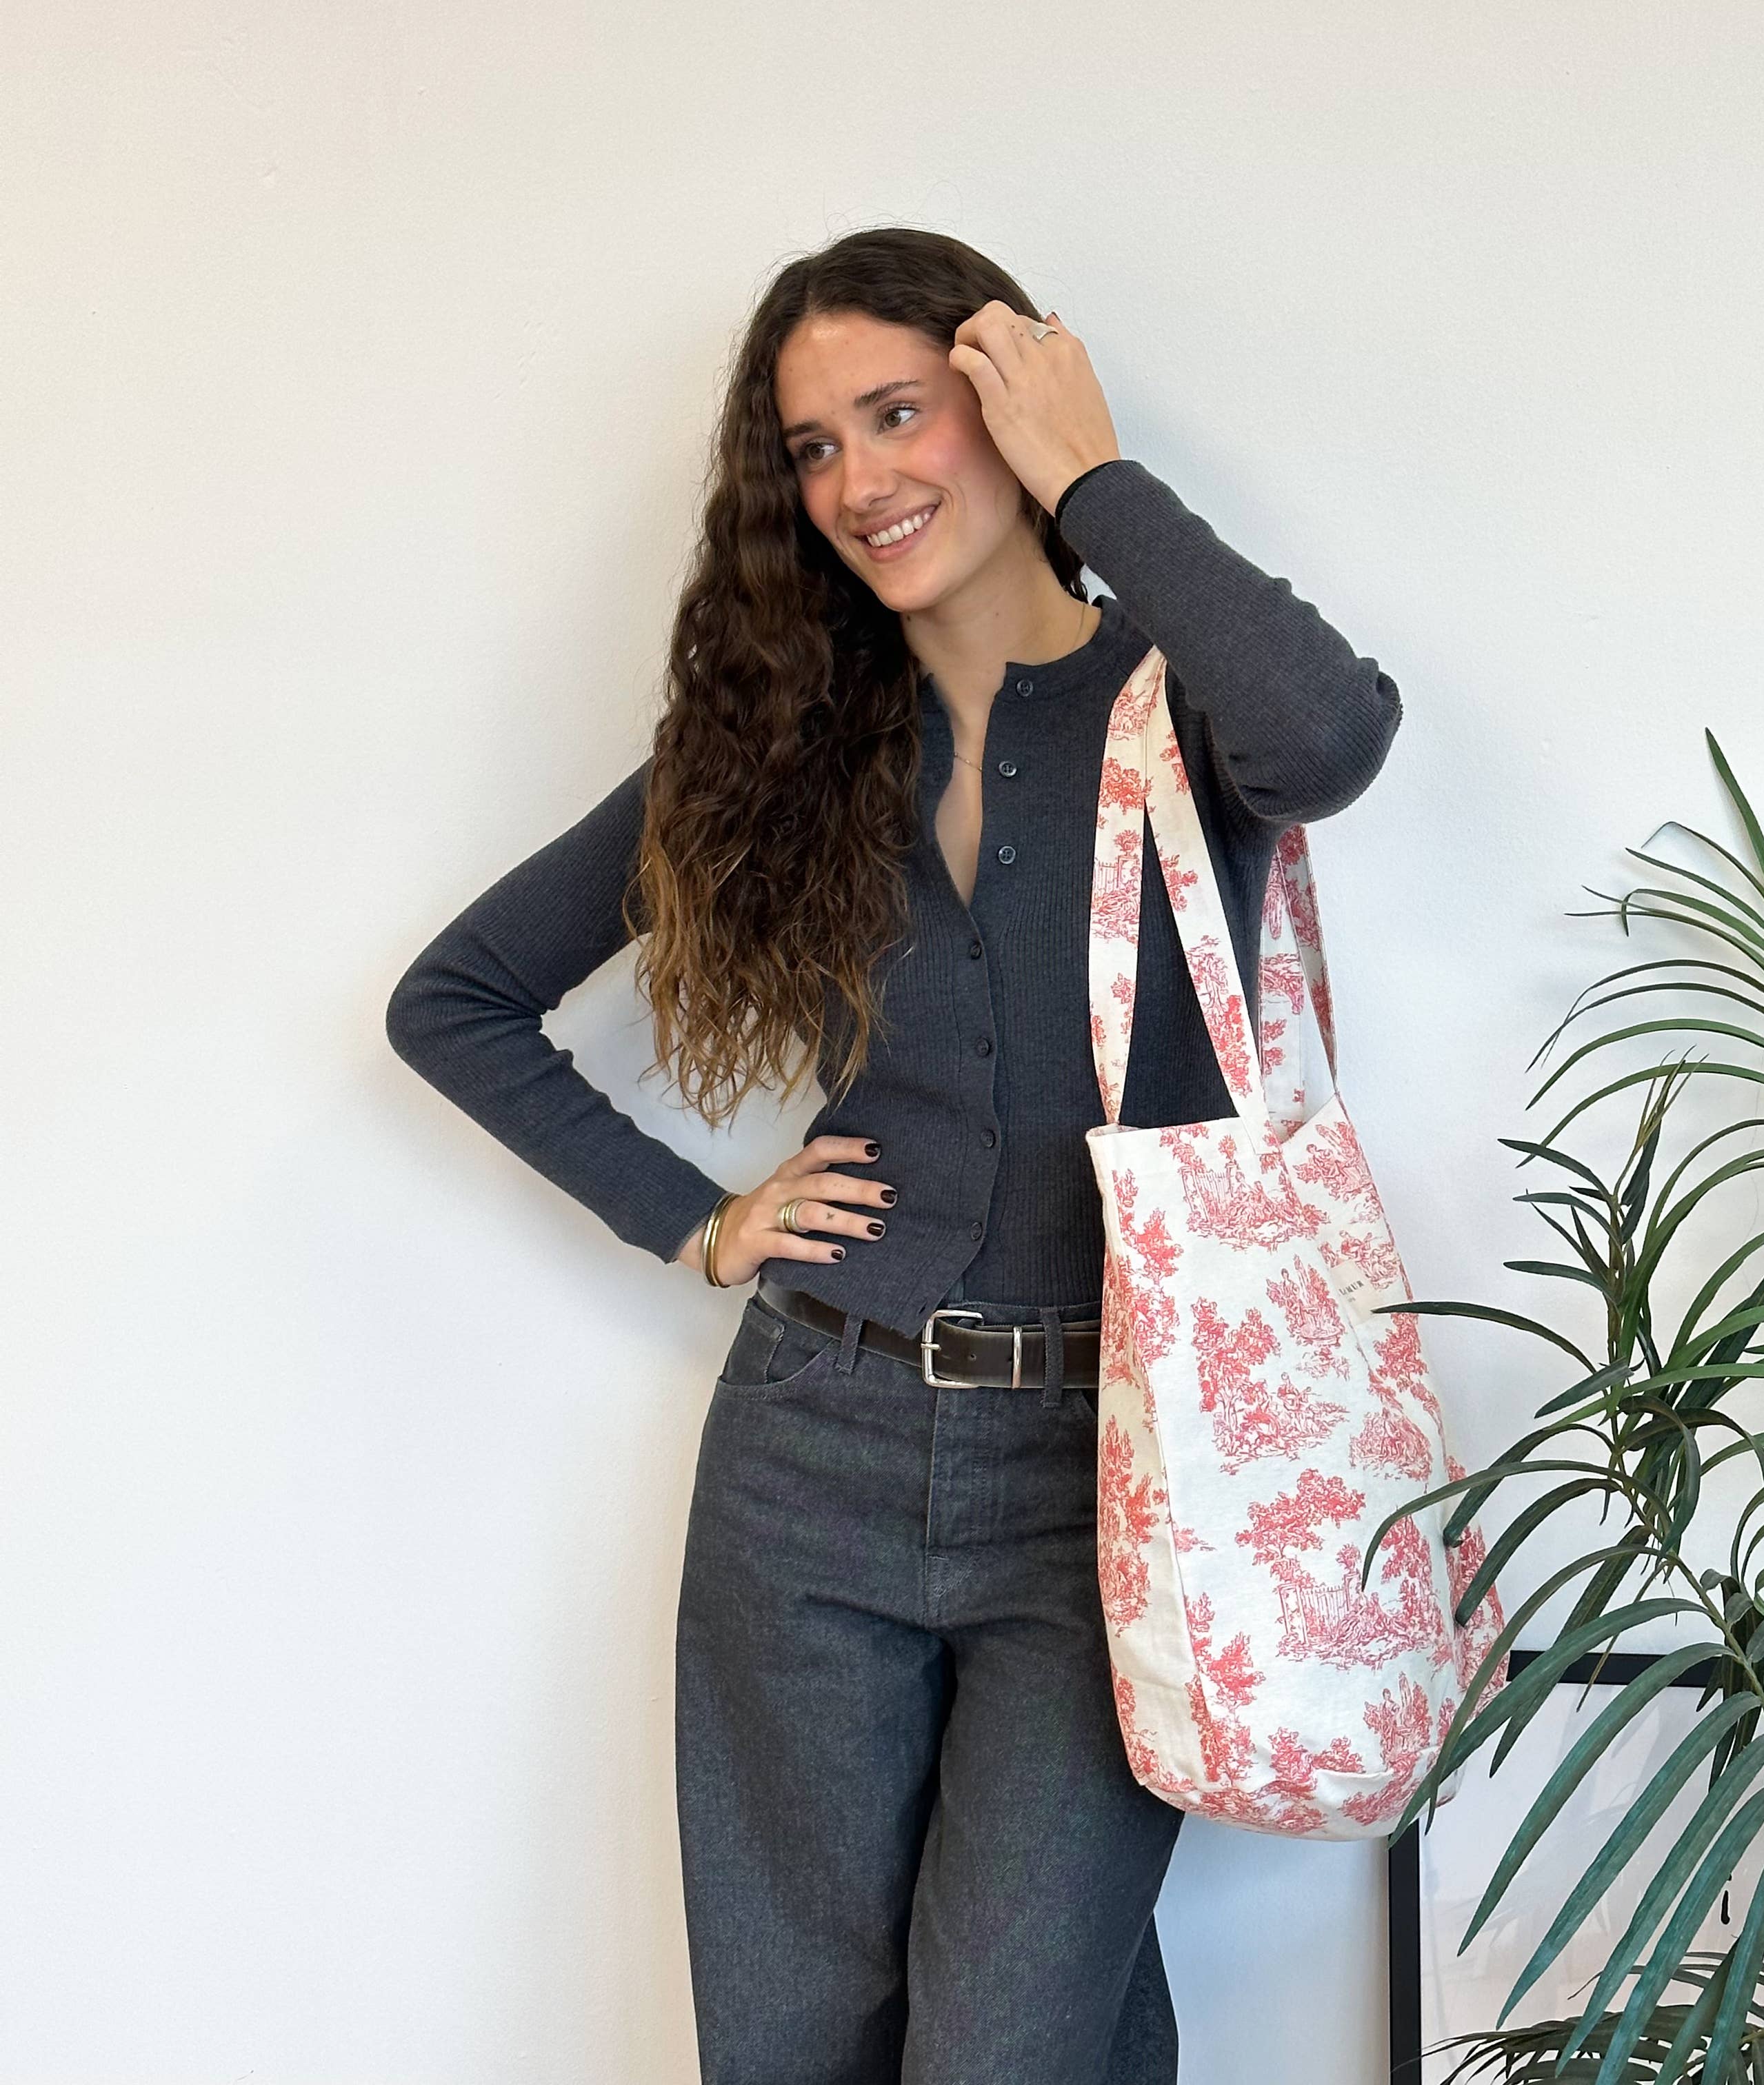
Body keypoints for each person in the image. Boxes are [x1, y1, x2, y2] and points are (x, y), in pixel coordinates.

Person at [385, 225, 1401, 2085]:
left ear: (1009, 397)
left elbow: (1334, 734)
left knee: (1009, 2043)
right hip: (812, 1456)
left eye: (899, 413)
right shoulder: (784, 744)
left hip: (1114, 1477)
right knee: (796, 2043)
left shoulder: (1180, 708)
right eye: (812, 447)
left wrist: (1099, 478)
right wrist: (699, 1220)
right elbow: (454, 1001)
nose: (857, 480)